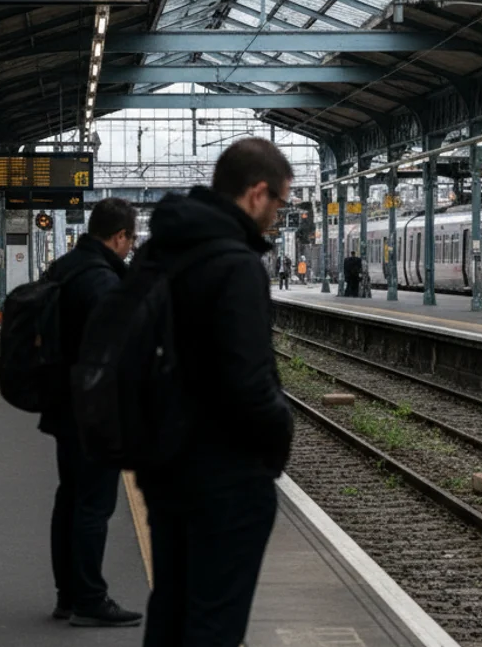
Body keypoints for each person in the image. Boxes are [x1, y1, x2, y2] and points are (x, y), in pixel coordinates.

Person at [137, 138, 295, 647]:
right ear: (256, 193)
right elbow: (248, 382)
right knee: (214, 624)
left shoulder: (161, 250)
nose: (278, 216)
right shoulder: (236, 263)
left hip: (164, 464)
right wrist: (278, 438)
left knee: (172, 609)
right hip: (225, 475)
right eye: (280, 203)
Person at [42, 197, 144, 627]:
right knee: (93, 506)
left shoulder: (65, 268)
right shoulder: (100, 281)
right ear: (119, 236)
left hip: (65, 405)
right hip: (94, 410)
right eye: (130, 239)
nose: (130, 247)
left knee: (69, 499)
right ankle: (89, 599)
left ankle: (69, 594)